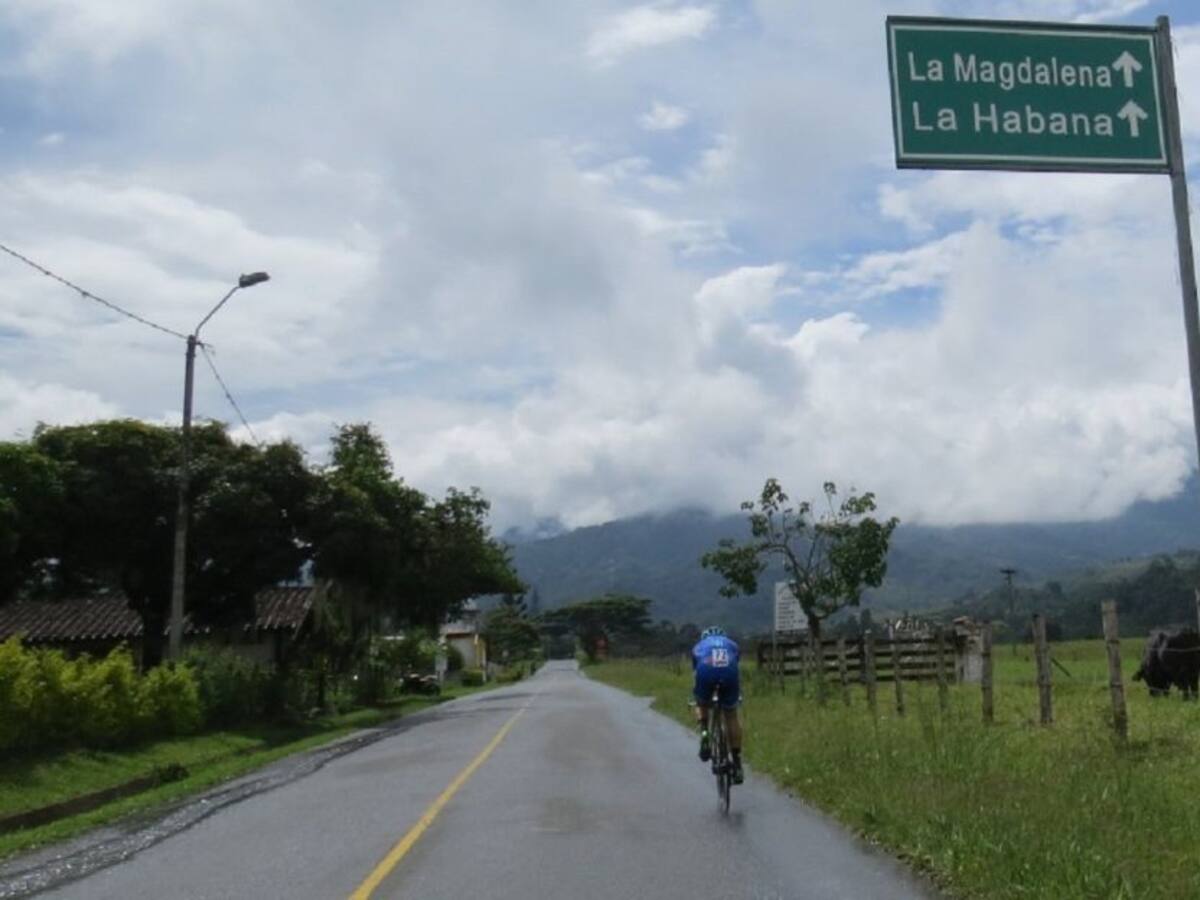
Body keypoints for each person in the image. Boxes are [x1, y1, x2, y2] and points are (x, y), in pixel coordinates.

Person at [691, 625, 743, 784]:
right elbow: (735, 662)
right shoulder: (732, 644)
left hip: (705, 672)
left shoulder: (698, 646)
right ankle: (737, 762)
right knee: (731, 715)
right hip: (729, 674)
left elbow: (696, 671)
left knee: (701, 702)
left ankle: (705, 735)